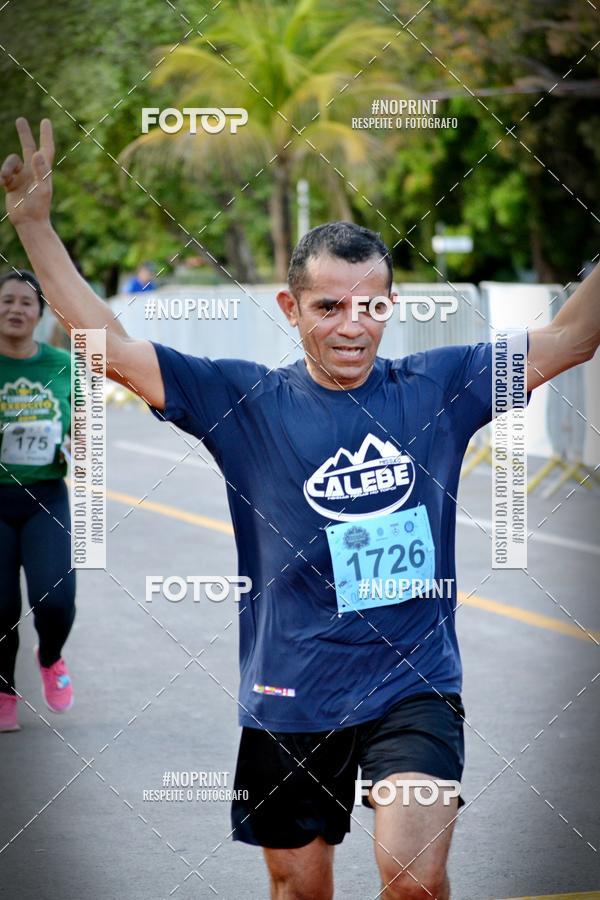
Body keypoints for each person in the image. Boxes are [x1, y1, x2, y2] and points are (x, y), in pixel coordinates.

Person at [1, 118, 598, 898]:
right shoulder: (243, 400)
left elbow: (577, 334)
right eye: (328, 307)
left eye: (370, 307)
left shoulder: (444, 386)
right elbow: (104, 343)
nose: (353, 326)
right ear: (291, 306)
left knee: (415, 877)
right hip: (289, 694)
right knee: (298, 891)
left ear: (391, 304)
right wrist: (37, 230)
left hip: (412, 683)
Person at [0, 267, 75, 733]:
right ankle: (4, 688)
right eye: (7, 300)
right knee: (0, 608)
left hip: (46, 495)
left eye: (27, 302)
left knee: (56, 600)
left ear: (40, 314)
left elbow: (88, 435)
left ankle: (49, 657)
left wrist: (76, 444)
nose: (15, 309)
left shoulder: (62, 367)